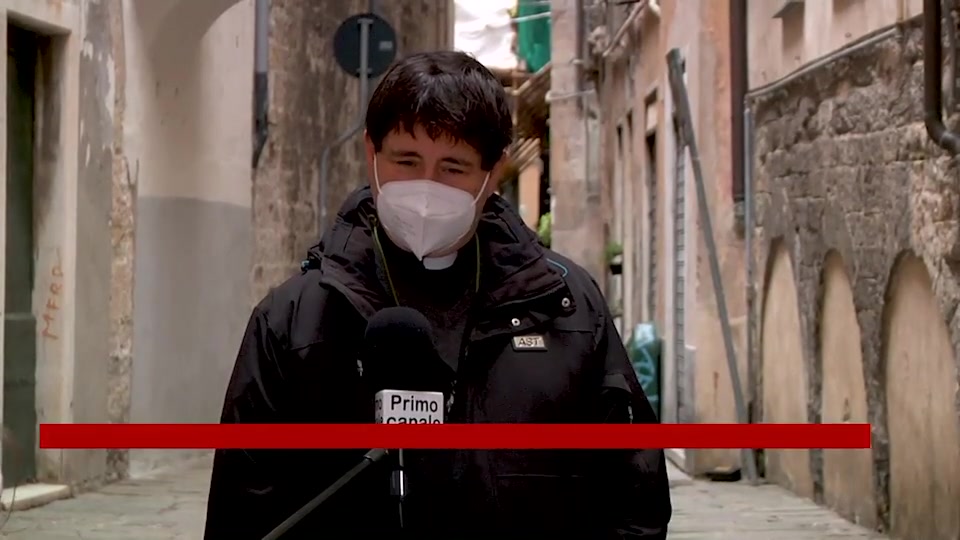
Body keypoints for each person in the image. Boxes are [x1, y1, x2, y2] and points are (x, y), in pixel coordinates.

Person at [203, 50, 671, 539]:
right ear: (371, 153)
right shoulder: (292, 321)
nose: (426, 187)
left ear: (493, 175)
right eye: (406, 160)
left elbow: (634, 497)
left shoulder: (565, 309)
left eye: (453, 167)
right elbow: (243, 510)